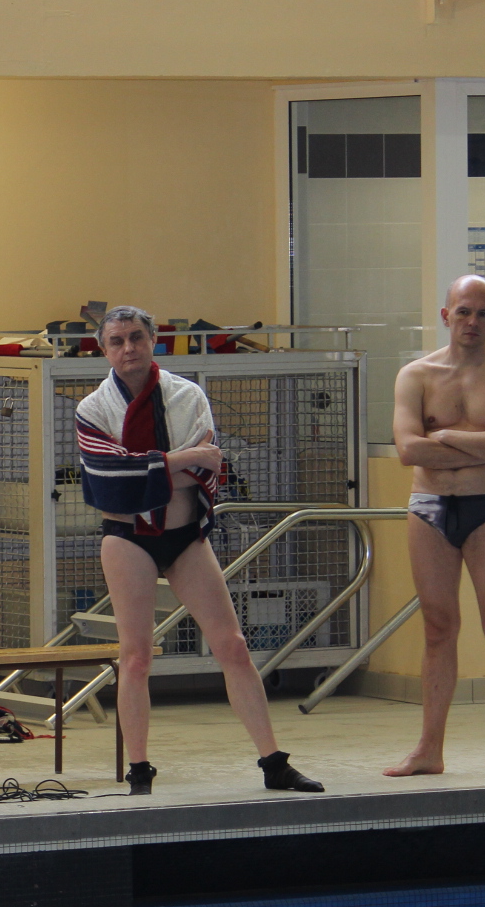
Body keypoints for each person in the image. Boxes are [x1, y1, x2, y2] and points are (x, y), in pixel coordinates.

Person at [76, 305, 324, 797]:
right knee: (136, 657)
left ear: (153, 340)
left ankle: (274, 763)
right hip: (128, 539)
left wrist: (158, 465)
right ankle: (139, 770)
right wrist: (181, 458)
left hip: (186, 536)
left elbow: (206, 466)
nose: (128, 348)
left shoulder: (186, 395)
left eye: (137, 337)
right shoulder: (94, 408)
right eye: (117, 341)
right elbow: (109, 484)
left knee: (233, 645)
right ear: (103, 349)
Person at [386, 275, 485, 776]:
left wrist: (444, 436)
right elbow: (409, 450)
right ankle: (429, 749)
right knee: (437, 628)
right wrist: (483, 441)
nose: (472, 321)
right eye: (464, 311)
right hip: (429, 507)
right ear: (446, 315)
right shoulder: (416, 375)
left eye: (483, 313)